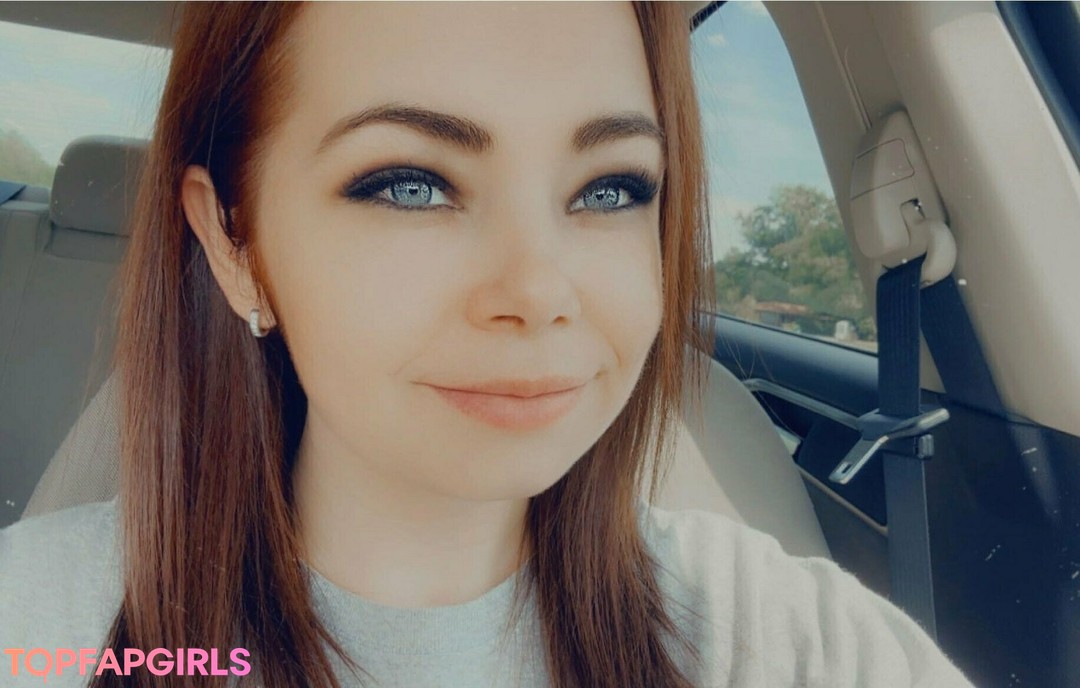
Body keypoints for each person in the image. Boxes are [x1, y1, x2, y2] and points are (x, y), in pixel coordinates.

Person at [0, 3, 976, 687]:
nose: (540, 293)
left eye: (611, 189)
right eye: (410, 184)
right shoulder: (37, 627)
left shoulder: (785, 642)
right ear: (233, 242)